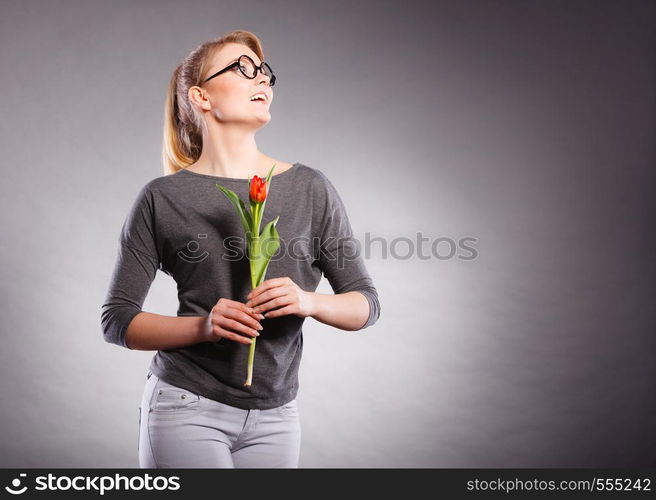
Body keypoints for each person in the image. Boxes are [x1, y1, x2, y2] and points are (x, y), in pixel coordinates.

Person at [101, 30, 381, 468]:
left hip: (278, 415)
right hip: (185, 406)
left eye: (264, 72)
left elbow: (366, 304)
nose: (262, 80)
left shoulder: (310, 188)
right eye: (242, 69)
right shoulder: (162, 198)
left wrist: (308, 301)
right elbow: (118, 320)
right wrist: (205, 327)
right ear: (201, 97)